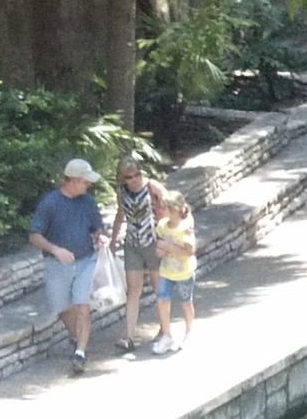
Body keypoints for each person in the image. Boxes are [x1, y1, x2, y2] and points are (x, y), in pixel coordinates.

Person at [29, 158, 108, 374]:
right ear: (73, 180)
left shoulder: (88, 202)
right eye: (85, 182)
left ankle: (80, 353)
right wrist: (56, 250)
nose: (88, 186)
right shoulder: (50, 203)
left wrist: (101, 237)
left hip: (85, 261)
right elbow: (35, 236)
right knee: (63, 308)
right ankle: (77, 338)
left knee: (82, 306)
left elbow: (97, 227)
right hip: (57, 265)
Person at [109, 157, 166, 352]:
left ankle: (164, 329)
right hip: (132, 243)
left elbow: (171, 208)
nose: (134, 179)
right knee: (133, 290)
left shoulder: (152, 187)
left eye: (136, 175)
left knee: (160, 288)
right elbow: (120, 215)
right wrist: (114, 240)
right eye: (129, 176)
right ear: (122, 178)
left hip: (153, 242)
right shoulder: (122, 192)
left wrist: (168, 238)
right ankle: (129, 336)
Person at [150, 190, 197, 355]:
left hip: (184, 271)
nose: (163, 211)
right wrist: (161, 252)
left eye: (166, 208)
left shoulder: (185, 228)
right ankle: (167, 335)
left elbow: (190, 251)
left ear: (176, 209)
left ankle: (189, 331)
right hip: (167, 270)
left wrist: (171, 249)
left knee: (186, 301)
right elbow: (159, 246)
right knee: (162, 300)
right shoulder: (162, 226)